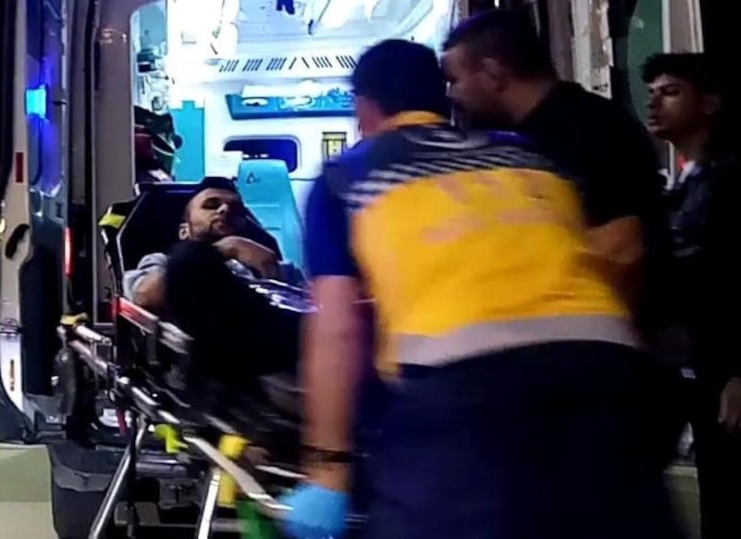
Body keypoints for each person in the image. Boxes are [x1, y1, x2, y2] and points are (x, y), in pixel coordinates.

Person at [280, 38, 681, 539]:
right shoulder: (528, 155)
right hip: (606, 374)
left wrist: (328, 469)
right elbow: (605, 251)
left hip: (464, 395)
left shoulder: (348, 175)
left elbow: (337, 327)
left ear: (364, 107)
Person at [441, 9, 668, 340]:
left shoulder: (595, 130)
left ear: (493, 73)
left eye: (454, 80)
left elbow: (624, 249)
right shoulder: (506, 141)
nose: (450, 94)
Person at [643, 52, 740, 539]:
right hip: (691, 365)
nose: (654, 103)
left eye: (671, 92)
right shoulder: (683, 182)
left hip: (721, 369)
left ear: (710, 103)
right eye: (652, 93)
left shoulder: (727, 181)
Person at [123, 176, 295, 311]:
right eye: (211, 205)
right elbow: (144, 296)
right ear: (184, 231)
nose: (225, 209)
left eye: (236, 208)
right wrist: (221, 250)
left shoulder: (269, 262)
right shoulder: (162, 263)